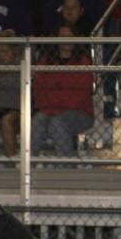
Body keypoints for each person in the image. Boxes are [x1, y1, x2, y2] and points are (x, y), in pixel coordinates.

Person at [31, 24, 94, 159]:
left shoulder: (83, 62)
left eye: (70, 36)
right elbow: (39, 89)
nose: (66, 39)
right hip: (49, 110)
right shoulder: (46, 61)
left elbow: (81, 93)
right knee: (36, 121)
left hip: (80, 112)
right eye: (63, 36)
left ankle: (65, 166)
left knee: (57, 121)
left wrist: (54, 88)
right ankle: (30, 164)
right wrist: (64, 86)